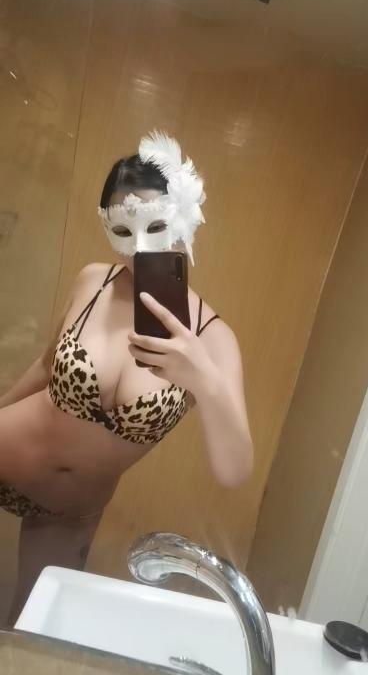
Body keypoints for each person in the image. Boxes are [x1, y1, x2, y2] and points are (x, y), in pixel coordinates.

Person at [0, 131, 253, 623]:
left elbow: (234, 470)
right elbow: (48, 365)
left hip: (69, 513)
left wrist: (203, 378)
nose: (138, 248)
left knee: (27, 624)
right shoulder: (93, 281)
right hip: (8, 451)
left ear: (185, 219)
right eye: (122, 229)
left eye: (155, 225)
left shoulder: (214, 340)